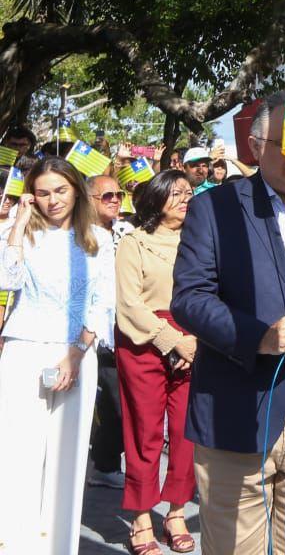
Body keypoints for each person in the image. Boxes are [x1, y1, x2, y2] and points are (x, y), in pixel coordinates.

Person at [170, 92, 285, 555]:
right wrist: (260, 338)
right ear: (254, 146)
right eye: (283, 144)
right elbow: (189, 299)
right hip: (238, 415)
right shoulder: (215, 208)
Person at [0, 156, 115, 554]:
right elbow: (6, 280)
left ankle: (58, 546)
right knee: (18, 454)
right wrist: (18, 223)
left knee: (68, 459)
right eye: (43, 192)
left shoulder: (98, 239)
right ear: (31, 195)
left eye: (60, 190)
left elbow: (103, 302)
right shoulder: (18, 233)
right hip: (24, 346)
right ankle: (14, 544)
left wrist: (76, 353)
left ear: (76, 191)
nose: (53, 200)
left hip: (77, 353)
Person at [114, 170, 199, 554]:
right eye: (176, 193)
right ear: (157, 198)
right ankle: (141, 516)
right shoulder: (134, 242)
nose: (185, 199)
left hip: (192, 340)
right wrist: (172, 341)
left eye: (189, 192)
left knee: (185, 432)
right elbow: (129, 305)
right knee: (145, 431)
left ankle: (176, 512)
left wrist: (195, 341)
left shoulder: (200, 241)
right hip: (143, 342)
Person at [86, 173, 130, 492]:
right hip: (92, 334)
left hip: (124, 328)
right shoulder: (78, 235)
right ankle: (104, 464)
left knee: (122, 404)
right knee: (113, 404)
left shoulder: (128, 231)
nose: (115, 200)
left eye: (119, 195)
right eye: (107, 196)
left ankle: (105, 462)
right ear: (89, 200)